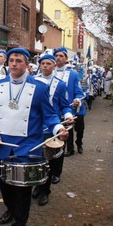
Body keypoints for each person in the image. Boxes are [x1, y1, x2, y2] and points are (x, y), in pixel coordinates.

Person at [0, 48, 68, 226]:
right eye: (11, 60)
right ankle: (11, 209)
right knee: (1, 181)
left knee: (23, 190)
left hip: (28, 146)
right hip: (2, 144)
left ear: (27, 65)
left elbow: (50, 115)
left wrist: (58, 129)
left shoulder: (39, 87)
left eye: (18, 60)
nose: (14, 63)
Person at [32, 54, 73, 207]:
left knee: (47, 160)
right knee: (36, 159)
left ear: (54, 66)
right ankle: (37, 185)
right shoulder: (32, 81)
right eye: (42, 63)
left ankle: (45, 191)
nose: (45, 66)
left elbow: (65, 105)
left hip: (50, 127)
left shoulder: (60, 85)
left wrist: (68, 115)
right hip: (34, 127)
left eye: (48, 63)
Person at [53, 47, 86, 161]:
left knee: (79, 128)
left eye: (61, 56)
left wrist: (78, 100)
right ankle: (69, 149)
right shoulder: (51, 73)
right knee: (67, 129)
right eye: (56, 56)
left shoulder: (73, 74)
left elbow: (79, 91)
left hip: (74, 107)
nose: (58, 58)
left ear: (66, 58)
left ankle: (79, 143)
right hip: (59, 109)